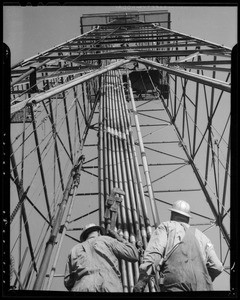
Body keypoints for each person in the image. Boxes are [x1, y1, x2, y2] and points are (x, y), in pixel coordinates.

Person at [133, 200, 224, 292]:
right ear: (188, 218)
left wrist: (141, 283)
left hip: (175, 284)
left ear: (172, 214)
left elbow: (154, 254)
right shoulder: (203, 237)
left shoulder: (166, 226)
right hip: (202, 287)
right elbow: (217, 266)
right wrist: (203, 281)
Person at [64, 223, 139, 292]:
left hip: (82, 287)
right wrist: (119, 238)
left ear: (85, 236)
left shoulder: (74, 249)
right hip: (108, 285)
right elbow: (133, 254)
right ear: (99, 232)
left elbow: (67, 281)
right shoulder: (106, 240)